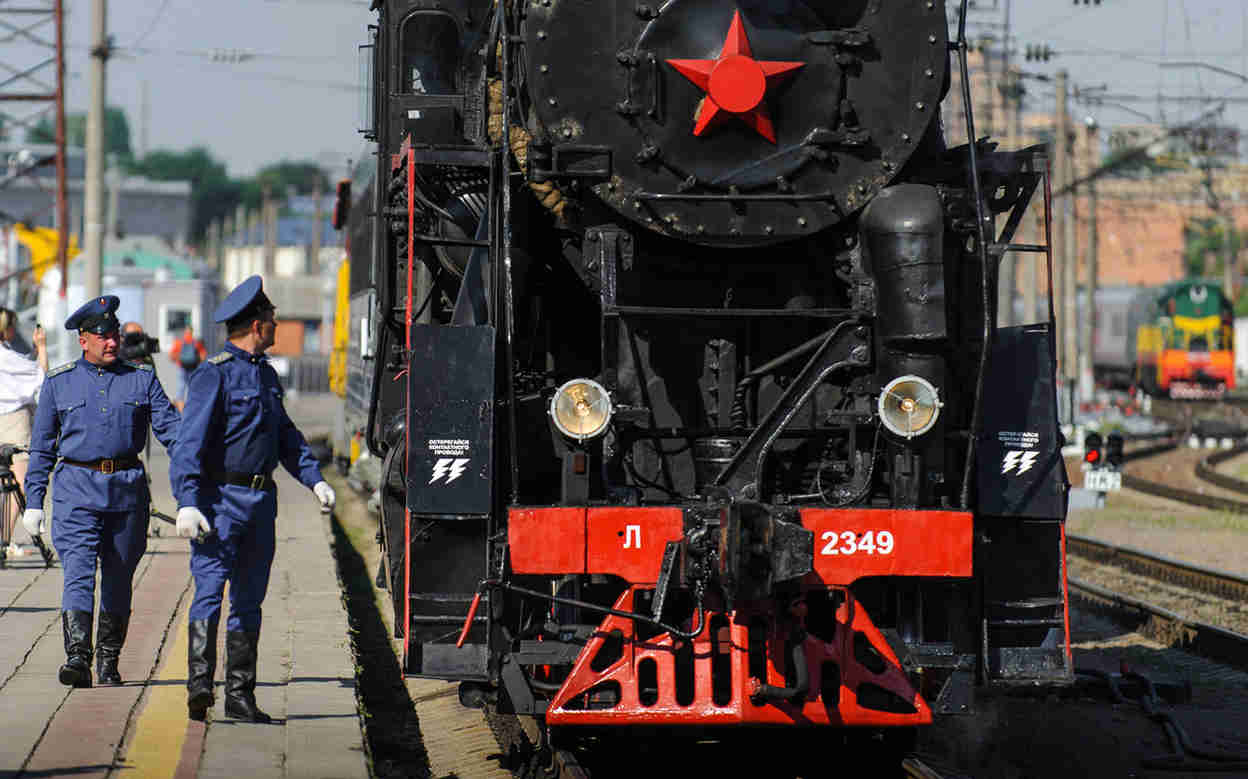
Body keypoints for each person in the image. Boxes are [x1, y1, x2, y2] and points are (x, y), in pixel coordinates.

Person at [170, 275, 335, 722]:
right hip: (219, 500)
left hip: (260, 504)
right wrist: (187, 500)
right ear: (256, 325)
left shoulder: (265, 376)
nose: (277, 327)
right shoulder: (213, 374)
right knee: (208, 591)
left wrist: (314, 479)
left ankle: (240, 696)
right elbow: (189, 442)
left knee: (249, 600)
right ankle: (200, 687)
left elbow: (285, 436)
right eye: (272, 320)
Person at [21, 296, 180, 688]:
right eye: (102, 335)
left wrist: (202, 477)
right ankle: (78, 656)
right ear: (83, 340)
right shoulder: (59, 383)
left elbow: (174, 434)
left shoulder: (141, 378)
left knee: (118, 578)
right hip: (76, 491)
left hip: (127, 494)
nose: (112, 342)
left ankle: (108, 659)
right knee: (77, 573)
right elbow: (42, 447)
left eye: (115, 334)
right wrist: (34, 501)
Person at [0, 307, 47, 558]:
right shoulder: (5, 356)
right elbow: (40, 376)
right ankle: (3, 540)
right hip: (14, 422)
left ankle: (2, 540)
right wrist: (42, 347)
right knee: (20, 483)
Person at [167, 326, 206, 412]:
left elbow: (171, 355)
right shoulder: (196, 342)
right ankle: (193, 409)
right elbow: (203, 355)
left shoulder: (179, 342)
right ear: (192, 332)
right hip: (193, 367)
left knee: (181, 389)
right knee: (193, 388)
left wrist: (178, 360)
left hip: (182, 367)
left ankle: (181, 410)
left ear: (185, 332)